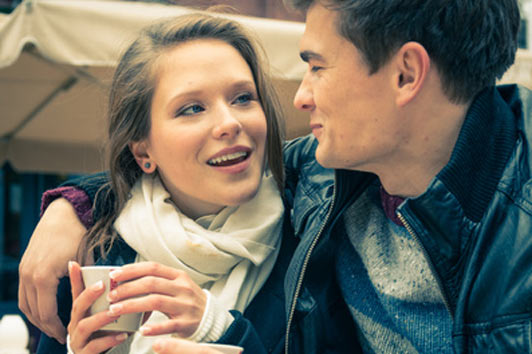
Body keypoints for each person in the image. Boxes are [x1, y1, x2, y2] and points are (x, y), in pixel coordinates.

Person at [20, 0, 532, 352]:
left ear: (405, 75)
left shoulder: (306, 207)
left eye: (317, 66)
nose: (300, 96)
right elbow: (183, 173)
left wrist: (223, 331)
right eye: (191, 108)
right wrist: (72, 206)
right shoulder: (329, 180)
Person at [29, 10, 356, 354]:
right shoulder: (90, 260)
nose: (228, 122)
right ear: (143, 151)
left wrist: (220, 330)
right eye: (192, 108)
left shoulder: (317, 237)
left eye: (243, 98)